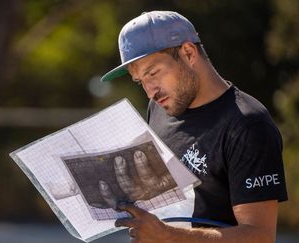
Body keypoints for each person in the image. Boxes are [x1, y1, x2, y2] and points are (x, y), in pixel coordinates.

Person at [100, 10, 288, 242]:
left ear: (188, 53)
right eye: (141, 81)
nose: (150, 90)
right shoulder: (159, 107)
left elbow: (259, 236)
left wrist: (167, 236)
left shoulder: (248, 125)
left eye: (153, 73)